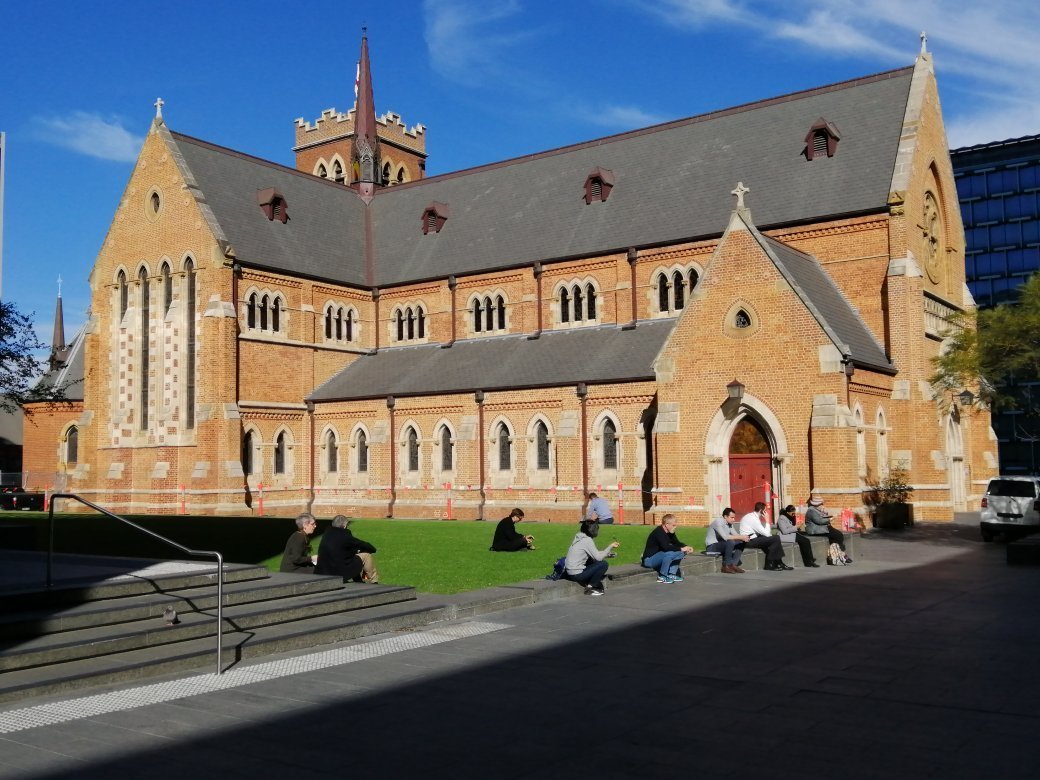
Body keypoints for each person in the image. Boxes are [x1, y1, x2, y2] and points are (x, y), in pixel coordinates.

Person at [314, 515, 380, 583]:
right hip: (338, 572)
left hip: (323, 571)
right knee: (366, 556)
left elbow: (344, 550)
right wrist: (373, 549)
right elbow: (361, 544)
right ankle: (374, 581)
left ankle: (358, 581)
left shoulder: (327, 534)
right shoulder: (344, 535)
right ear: (345, 526)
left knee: (353, 558)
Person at [564, 519, 619, 596]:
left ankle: (591, 581)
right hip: (577, 575)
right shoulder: (587, 540)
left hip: (570, 572)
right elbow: (599, 558)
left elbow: (594, 554)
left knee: (593, 560)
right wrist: (611, 546)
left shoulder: (579, 537)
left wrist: (606, 554)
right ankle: (590, 588)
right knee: (603, 564)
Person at [739, 502, 792, 571]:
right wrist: (767, 520)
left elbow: (766, 534)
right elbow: (767, 535)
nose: (766, 512)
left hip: (752, 538)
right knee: (776, 538)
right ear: (761, 511)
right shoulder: (753, 519)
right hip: (748, 541)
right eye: (765, 511)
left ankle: (779, 563)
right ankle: (769, 564)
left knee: (775, 539)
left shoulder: (751, 516)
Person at [642, 513, 694, 583]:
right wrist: (681, 549)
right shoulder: (658, 532)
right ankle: (662, 576)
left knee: (681, 552)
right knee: (670, 553)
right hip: (649, 560)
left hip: (660, 556)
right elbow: (666, 547)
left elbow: (677, 543)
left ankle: (671, 574)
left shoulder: (670, 532)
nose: (675, 527)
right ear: (666, 524)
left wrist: (686, 547)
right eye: (673, 525)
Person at [804, 495, 851, 561]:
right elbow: (819, 521)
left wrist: (827, 515)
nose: (822, 505)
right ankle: (841, 554)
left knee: (837, 535)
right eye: (821, 504)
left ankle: (837, 554)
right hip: (815, 530)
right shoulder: (811, 510)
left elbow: (822, 517)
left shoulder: (816, 509)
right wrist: (831, 519)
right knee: (838, 535)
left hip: (822, 528)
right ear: (817, 505)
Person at [705, 508, 749, 573]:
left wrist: (744, 538)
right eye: (732, 517)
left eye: (734, 518)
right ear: (725, 516)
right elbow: (725, 537)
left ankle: (734, 565)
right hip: (712, 547)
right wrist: (740, 537)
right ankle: (726, 566)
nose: (734, 520)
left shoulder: (729, 524)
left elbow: (736, 535)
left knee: (741, 542)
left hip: (722, 544)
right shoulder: (718, 522)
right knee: (730, 542)